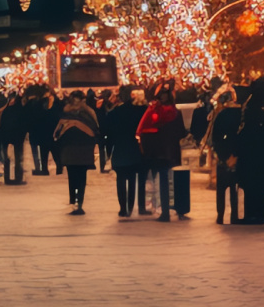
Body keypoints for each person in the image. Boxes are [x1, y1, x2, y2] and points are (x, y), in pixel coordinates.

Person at [137, 83, 188, 222]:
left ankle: (163, 210)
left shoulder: (153, 111)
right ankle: (178, 209)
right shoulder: (175, 112)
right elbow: (181, 132)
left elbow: (142, 129)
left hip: (156, 151)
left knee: (159, 181)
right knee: (171, 181)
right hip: (171, 150)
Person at [238, 78, 264, 224]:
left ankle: (252, 215)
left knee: (252, 185)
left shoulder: (252, 104)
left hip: (252, 150)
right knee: (259, 186)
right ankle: (259, 215)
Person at [52, 91, 100, 215]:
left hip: (69, 150)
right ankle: (80, 203)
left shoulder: (66, 114)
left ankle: (73, 202)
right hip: (85, 149)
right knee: (82, 177)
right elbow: (96, 130)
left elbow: (56, 134)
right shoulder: (89, 114)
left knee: (72, 177)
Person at [102, 87, 146, 216]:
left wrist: (108, 151)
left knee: (121, 179)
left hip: (119, 148)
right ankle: (131, 206)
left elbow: (108, 133)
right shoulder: (140, 111)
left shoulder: (115, 112)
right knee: (132, 179)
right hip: (135, 148)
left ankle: (123, 207)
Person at [208, 87, 243, 224]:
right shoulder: (241, 115)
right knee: (234, 190)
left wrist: (222, 155)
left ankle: (220, 216)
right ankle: (234, 215)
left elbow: (215, 138)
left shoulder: (221, 116)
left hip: (223, 157)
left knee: (221, 190)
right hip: (236, 156)